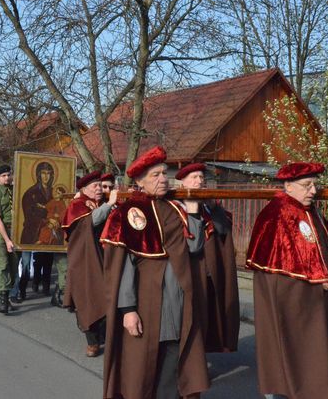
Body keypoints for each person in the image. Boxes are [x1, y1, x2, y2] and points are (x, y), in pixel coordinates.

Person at [101, 146, 210, 399]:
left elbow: (195, 246)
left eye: (164, 173)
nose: (163, 179)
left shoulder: (175, 208)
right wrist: (128, 310)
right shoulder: (129, 211)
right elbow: (124, 264)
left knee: (174, 363)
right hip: (147, 302)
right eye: (155, 175)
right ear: (139, 181)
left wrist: (192, 210)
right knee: (142, 367)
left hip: (177, 299)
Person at [246, 162, 328, 399]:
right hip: (289, 293)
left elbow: (318, 242)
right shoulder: (280, 212)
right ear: (288, 185)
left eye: (314, 185)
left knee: (311, 349)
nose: (313, 190)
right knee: (289, 346)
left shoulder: (305, 209)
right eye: (306, 185)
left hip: (308, 292)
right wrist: (318, 276)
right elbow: (291, 253)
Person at [175, 163, 240, 353]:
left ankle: (203, 351)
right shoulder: (176, 206)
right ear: (183, 182)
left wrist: (214, 207)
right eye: (194, 177)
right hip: (188, 272)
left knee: (208, 313)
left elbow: (222, 231)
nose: (200, 181)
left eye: (202, 178)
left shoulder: (209, 205)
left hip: (209, 270)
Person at [63, 170, 117, 357]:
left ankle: (107, 338)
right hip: (83, 260)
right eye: (95, 186)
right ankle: (92, 342)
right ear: (84, 189)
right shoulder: (76, 205)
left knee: (106, 296)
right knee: (85, 298)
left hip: (104, 257)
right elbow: (91, 221)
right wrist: (109, 205)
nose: (99, 189)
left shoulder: (102, 203)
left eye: (101, 186)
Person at [0, 165, 18, 313]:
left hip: (16, 230)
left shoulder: (16, 191)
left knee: (13, 265)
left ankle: (7, 297)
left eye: (9, 175)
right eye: (4, 176)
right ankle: (3, 300)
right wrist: (7, 240)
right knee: (3, 264)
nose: (7, 178)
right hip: (1, 231)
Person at [20, 161, 54, 244]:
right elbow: (29, 216)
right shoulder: (30, 193)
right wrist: (47, 220)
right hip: (32, 233)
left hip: (49, 234)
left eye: (48, 173)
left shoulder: (54, 192)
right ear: (38, 175)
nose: (46, 176)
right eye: (43, 173)